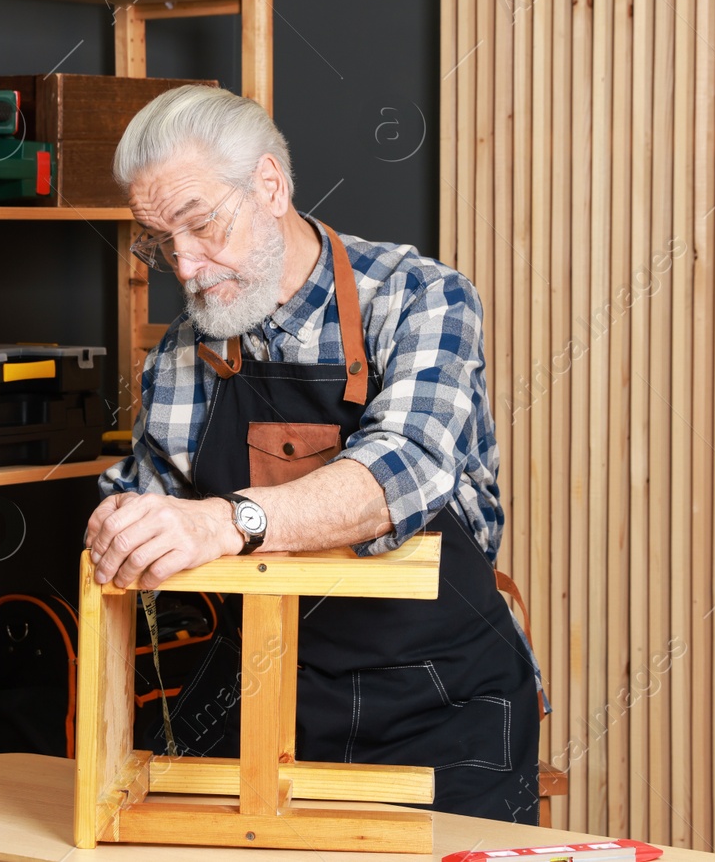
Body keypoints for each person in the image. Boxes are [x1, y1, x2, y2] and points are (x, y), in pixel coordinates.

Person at [88, 85, 543, 823]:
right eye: (159, 241)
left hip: (442, 700)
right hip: (265, 693)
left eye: (199, 225)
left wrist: (224, 521)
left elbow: (399, 472)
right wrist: (124, 524)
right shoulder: (183, 351)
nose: (186, 264)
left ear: (270, 185)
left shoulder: (422, 299)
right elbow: (145, 497)